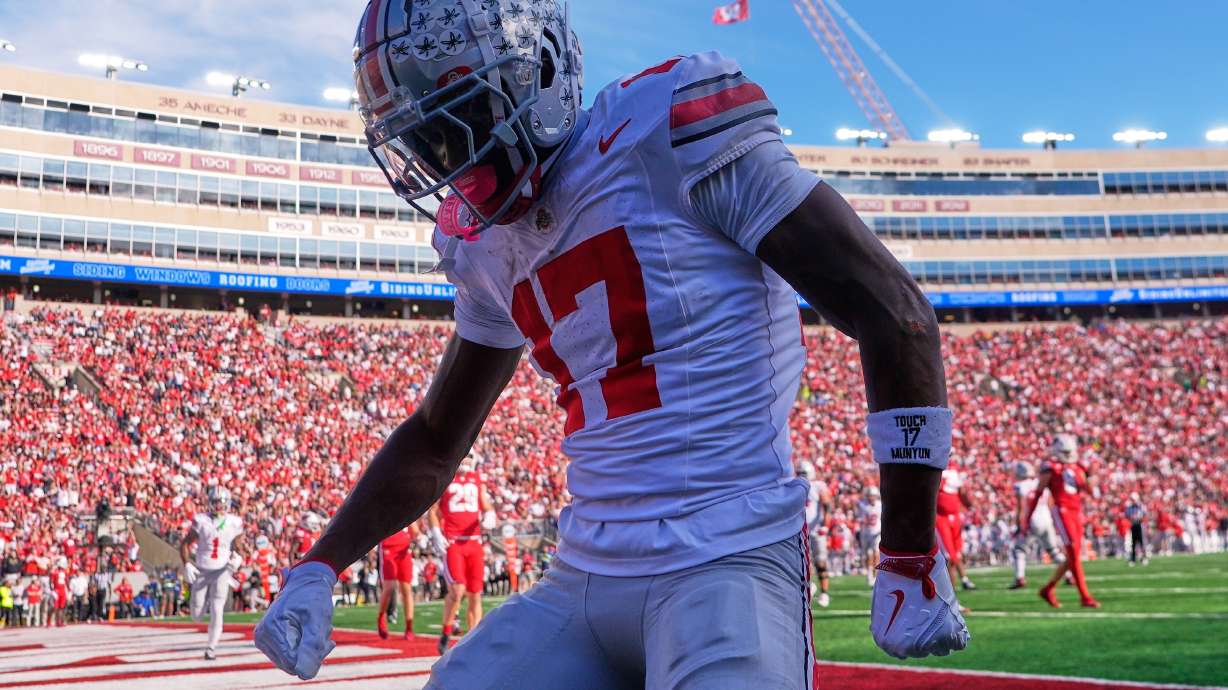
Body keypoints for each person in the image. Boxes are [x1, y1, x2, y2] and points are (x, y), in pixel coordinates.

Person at [255, 1, 968, 685]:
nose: (449, 161)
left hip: (727, 558)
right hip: (584, 577)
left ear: (536, 69)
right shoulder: (483, 249)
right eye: (426, 141)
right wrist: (322, 562)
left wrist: (908, 550)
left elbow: (894, 311)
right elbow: (438, 437)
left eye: (462, 121)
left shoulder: (666, 130)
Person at [428, 457, 496, 654]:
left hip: (474, 542)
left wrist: (490, 515)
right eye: (465, 457)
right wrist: (435, 532)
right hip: (454, 542)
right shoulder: (446, 478)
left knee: (475, 594)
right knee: (457, 590)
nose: (467, 461)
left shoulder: (476, 480)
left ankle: (472, 640)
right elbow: (433, 511)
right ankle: (446, 632)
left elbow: (486, 505)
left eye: (470, 457)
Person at [1024, 435, 1100, 609]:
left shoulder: (1078, 467)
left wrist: (1093, 476)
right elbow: (1038, 493)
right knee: (1073, 550)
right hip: (1062, 510)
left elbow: (1088, 489)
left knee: (1074, 555)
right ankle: (1085, 597)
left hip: (1076, 512)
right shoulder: (1050, 467)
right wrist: (1027, 518)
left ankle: (1048, 589)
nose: (1068, 454)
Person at [180, 486, 246, 660]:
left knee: (218, 609)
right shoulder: (201, 520)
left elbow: (238, 547)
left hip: (221, 571)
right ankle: (201, 608)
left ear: (228, 503)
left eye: (221, 502)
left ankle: (211, 648)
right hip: (202, 570)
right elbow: (185, 544)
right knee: (196, 615)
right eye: (215, 502)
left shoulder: (234, 522)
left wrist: (238, 559)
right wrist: (187, 563)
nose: (218, 506)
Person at [1010, 462, 1064, 589]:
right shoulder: (1040, 482)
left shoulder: (1020, 486)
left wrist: (1019, 525)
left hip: (1032, 519)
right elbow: (1050, 503)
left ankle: (1019, 578)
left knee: (1019, 550)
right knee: (1054, 551)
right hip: (1046, 518)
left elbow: (1021, 507)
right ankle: (1069, 574)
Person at [377, 521, 422, 640]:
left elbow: (415, 528)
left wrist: (418, 537)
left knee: (406, 589)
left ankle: (409, 627)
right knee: (389, 587)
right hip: (388, 547)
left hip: (404, 549)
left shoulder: (406, 506)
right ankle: (381, 617)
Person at [936, 465, 976, 591]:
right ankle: (950, 593)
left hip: (955, 517)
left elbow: (962, 492)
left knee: (957, 552)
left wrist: (970, 505)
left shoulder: (954, 472)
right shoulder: (934, 471)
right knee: (949, 556)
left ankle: (963, 580)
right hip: (941, 517)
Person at [800, 463, 833, 608]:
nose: (801, 475)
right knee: (804, 563)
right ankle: (810, 585)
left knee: (820, 562)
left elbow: (827, 505)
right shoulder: (795, 486)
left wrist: (825, 525)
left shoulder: (818, 486)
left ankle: (824, 593)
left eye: (803, 473)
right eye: (799, 472)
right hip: (801, 530)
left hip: (817, 529)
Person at [856, 486, 883, 586]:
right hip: (865, 532)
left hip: (877, 532)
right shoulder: (862, 505)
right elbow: (859, 516)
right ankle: (869, 573)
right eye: (870, 496)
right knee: (868, 554)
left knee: (875, 553)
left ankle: (875, 576)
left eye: (873, 496)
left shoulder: (880, 505)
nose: (871, 498)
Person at [1124, 493, 1149, 566]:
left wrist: (1139, 517)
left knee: (1142, 543)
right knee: (1133, 544)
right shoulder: (1130, 508)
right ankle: (1133, 559)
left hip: (1140, 526)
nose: (1133, 501)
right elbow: (1127, 515)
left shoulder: (1141, 507)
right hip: (1133, 526)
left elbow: (1144, 515)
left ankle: (1144, 558)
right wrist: (1132, 517)